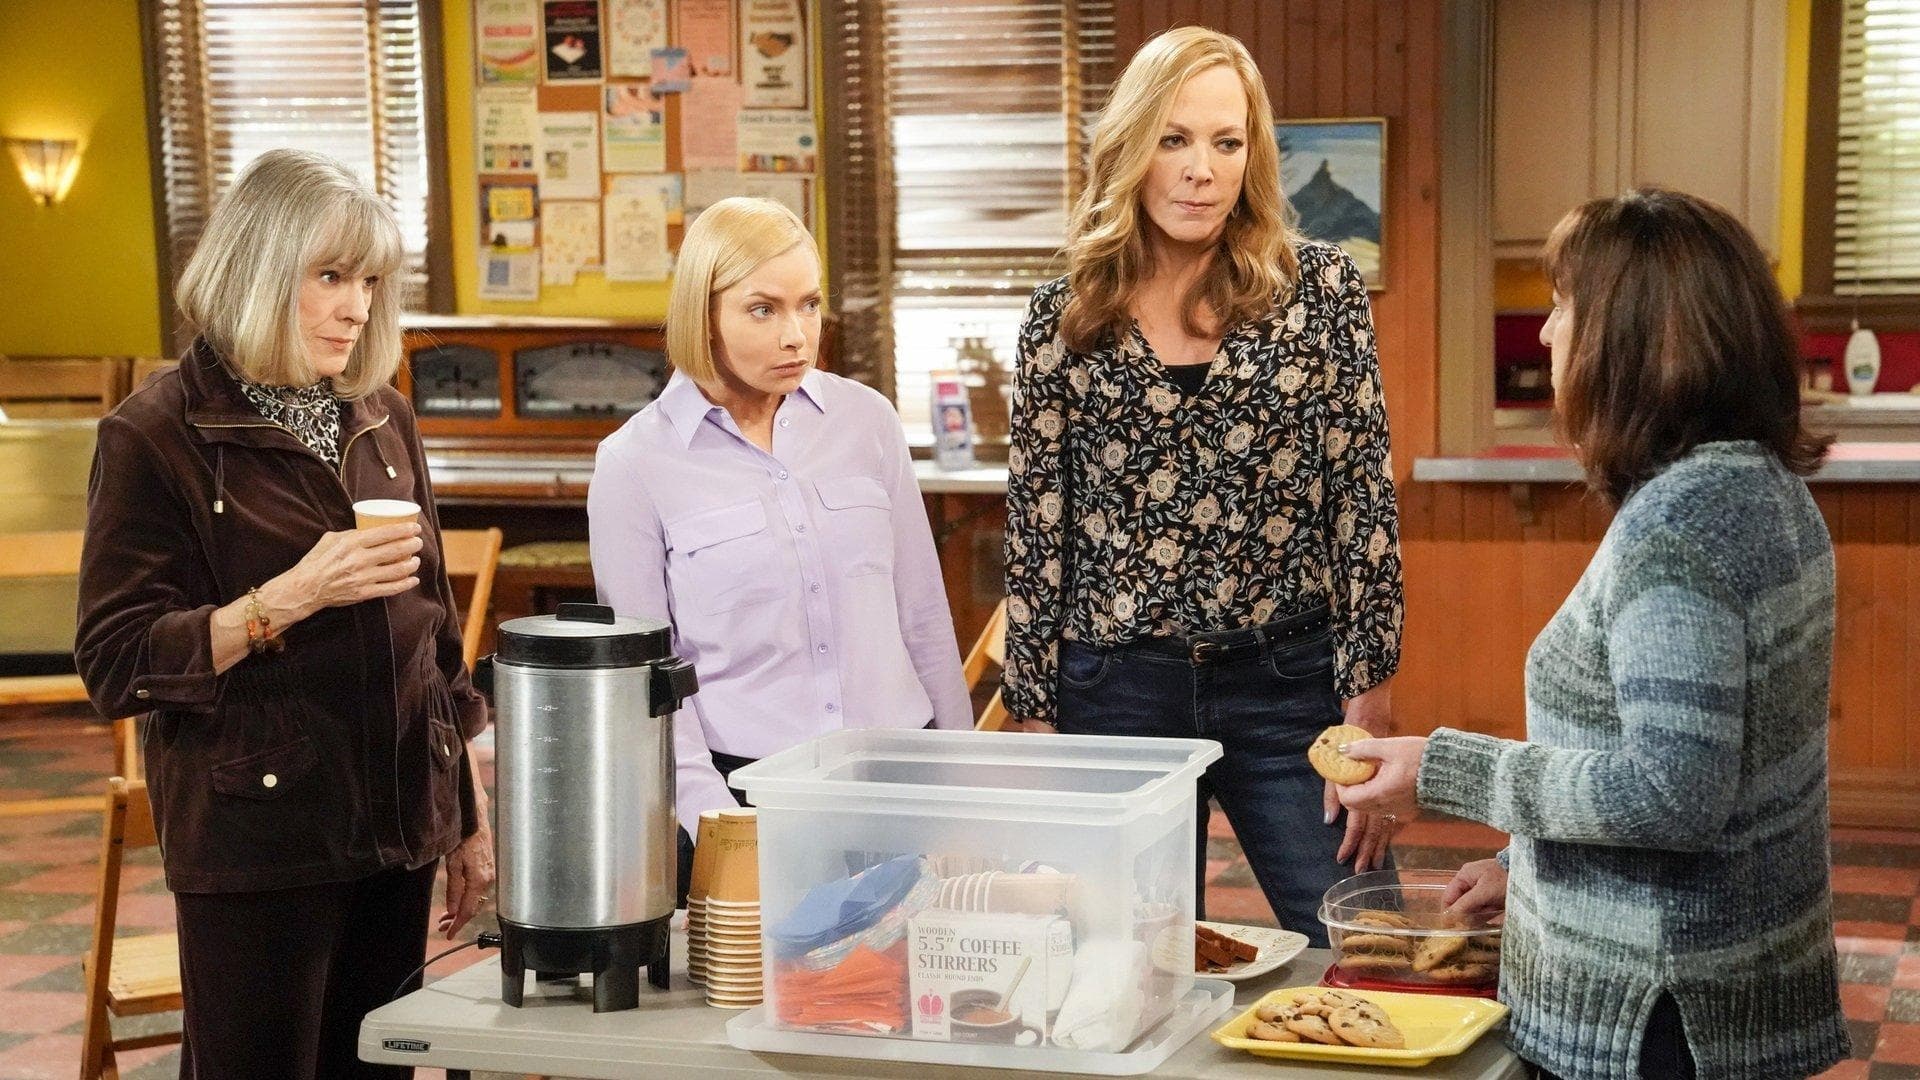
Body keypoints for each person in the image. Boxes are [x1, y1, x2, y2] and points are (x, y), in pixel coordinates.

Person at [1336, 189, 1849, 1079]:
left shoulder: (1677, 530)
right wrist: (1527, 868)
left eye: (1564, 305)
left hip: (1659, 1019)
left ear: (1633, 337)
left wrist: (1444, 771)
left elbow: (1671, 793)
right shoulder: (1763, 490)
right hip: (1724, 989)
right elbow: (1688, 769)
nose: (1545, 333)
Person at [74, 149, 493, 1079]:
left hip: (398, 829)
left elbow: (435, 638)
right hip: (258, 842)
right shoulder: (154, 434)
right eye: (331, 276)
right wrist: (294, 595)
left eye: (370, 282)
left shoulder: (382, 415)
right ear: (258, 271)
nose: (358, 307)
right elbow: (116, 662)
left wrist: (465, 817)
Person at [1001, 26, 1404, 942]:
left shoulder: (1322, 292)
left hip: (1290, 683)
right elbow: (1035, 527)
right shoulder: (1064, 315)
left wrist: (1370, 690)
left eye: (1227, 143)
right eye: (1174, 140)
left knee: (1365, 946)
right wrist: (1033, 713)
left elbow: (1363, 501)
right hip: (1115, 692)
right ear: (1132, 150)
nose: (1201, 170)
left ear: (1252, 156)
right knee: (1120, 968)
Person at [588, 197, 971, 893]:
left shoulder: (868, 421)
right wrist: (719, 825)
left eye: (809, 305)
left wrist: (958, 777)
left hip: (899, 776)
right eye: (762, 310)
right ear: (703, 314)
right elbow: (646, 677)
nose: (797, 335)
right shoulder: (633, 464)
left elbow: (922, 614)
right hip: (745, 792)